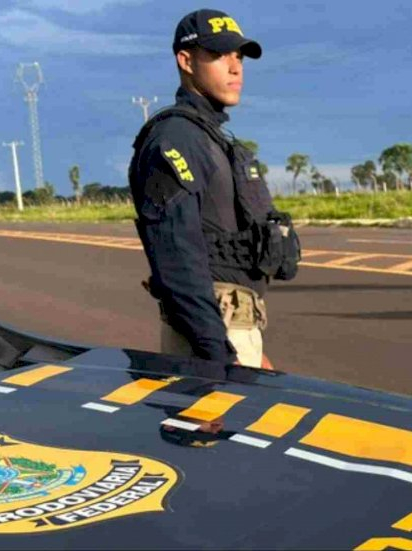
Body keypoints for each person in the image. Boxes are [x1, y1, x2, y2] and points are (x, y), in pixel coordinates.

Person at [128, 9, 300, 368]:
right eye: (219, 55)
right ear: (186, 61)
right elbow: (177, 260)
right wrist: (219, 354)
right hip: (209, 344)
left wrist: (252, 347)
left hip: (233, 333)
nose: (235, 67)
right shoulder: (175, 140)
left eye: (238, 56)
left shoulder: (212, 140)